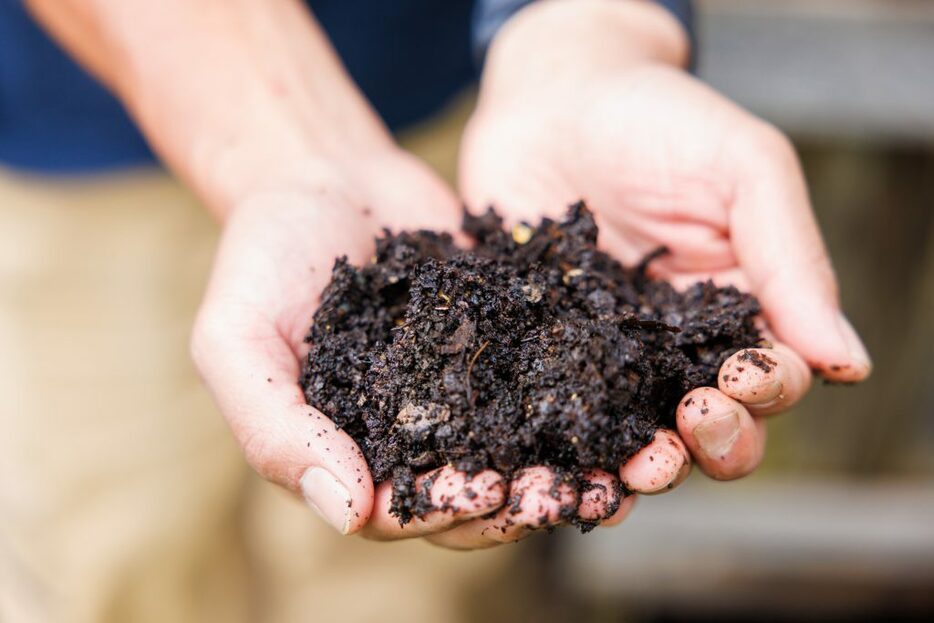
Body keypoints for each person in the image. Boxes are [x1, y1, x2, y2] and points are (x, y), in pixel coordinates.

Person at [1, 0, 871, 619]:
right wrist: (291, 150)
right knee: (121, 555)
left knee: (428, 592)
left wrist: (586, 34)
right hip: (85, 140)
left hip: (469, 86)